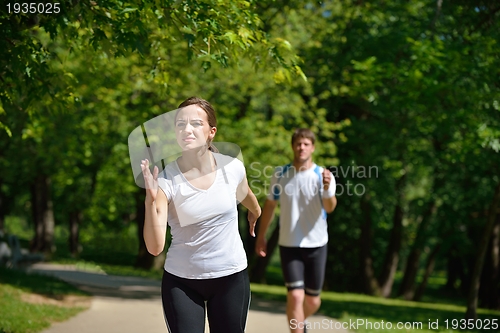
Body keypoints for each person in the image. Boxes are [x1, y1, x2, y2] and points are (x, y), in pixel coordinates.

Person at [141, 96, 261, 333]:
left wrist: (255, 211)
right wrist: (150, 200)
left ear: (211, 132)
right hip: (182, 282)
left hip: (231, 277)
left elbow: (245, 193)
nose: (187, 129)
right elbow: (155, 248)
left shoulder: (232, 168)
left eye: (196, 123)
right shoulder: (166, 180)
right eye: (180, 124)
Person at [255, 128, 337, 333]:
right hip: (289, 243)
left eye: (306, 144)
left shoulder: (322, 175)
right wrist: (261, 236)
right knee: (295, 296)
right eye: (298, 143)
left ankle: (298, 322)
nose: (302, 147)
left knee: (313, 301)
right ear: (293, 146)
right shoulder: (280, 174)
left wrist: (327, 189)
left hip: (317, 244)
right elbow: (270, 206)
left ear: (313, 147)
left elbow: (330, 208)